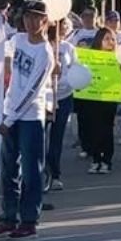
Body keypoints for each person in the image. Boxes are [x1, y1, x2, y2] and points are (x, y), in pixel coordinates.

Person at [0, 0, 54, 240]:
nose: (30, 22)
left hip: (29, 117)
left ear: (45, 21)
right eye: (27, 17)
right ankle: (8, 216)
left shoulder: (45, 53)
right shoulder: (19, 40)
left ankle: (28, 219)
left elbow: (32, 91)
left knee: (31, 170)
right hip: (9, 112)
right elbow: (0, 45)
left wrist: (10, 119)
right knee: (7, 169)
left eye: (36, 17)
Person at [83, 28, 121, 173]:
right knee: (93, 128)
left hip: (109, 98)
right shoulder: (91, 57)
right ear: (99, 40)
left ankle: (107, 160)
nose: (110, 42)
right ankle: (96, 159)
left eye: (112, 39)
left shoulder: (117, 58)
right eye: (106, 39)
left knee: (106, 128)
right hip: (93, 96)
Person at [45, 20, 76, 191]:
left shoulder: (69, 48)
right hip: (45, 97)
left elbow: (74, 68)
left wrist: (65, 82)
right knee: (41, 137)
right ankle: (40, 173)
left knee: (57, 137)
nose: (64, 28)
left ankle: (55, 174)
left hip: (64, 97)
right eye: (61, 25)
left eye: (66, 26)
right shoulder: (43, 46)